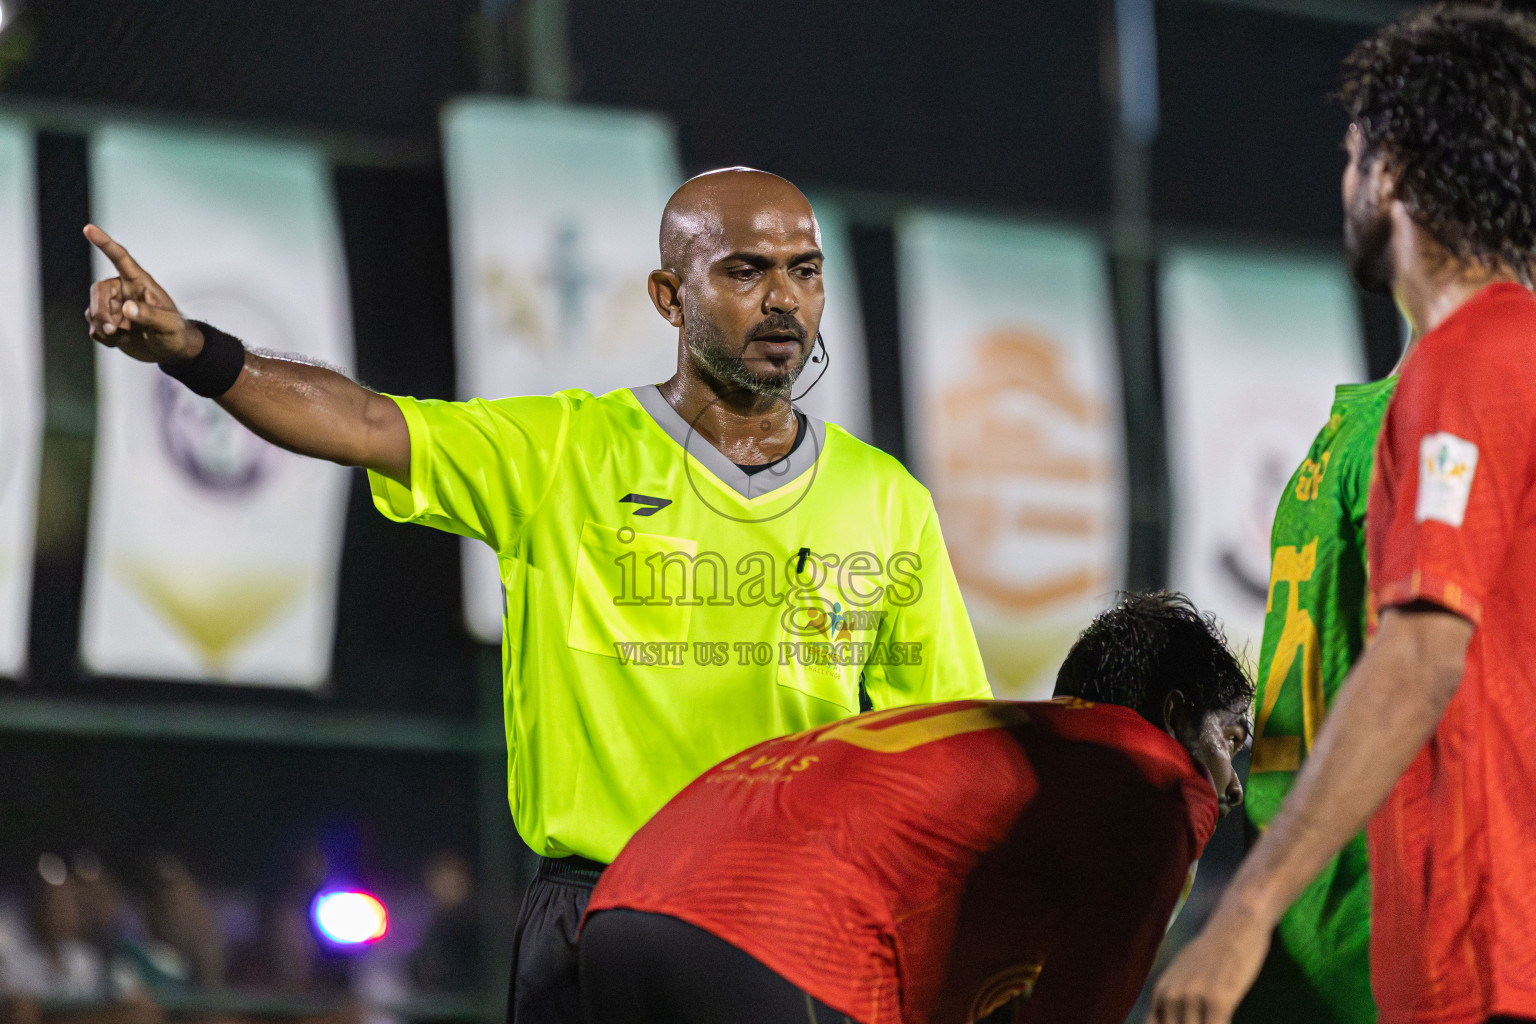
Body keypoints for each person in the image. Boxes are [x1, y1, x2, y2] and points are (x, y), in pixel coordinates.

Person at [82, 167, 992, 1024]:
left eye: (805, 271)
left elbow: (945, 750)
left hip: (792, 922)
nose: (784, 297)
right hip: (597, 912)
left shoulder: (885, 501)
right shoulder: (563, 451)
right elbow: (363, 422)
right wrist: (194, 351)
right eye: (747, 270)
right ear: (669, 298)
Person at [1151, 7, 1536, 1024]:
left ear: (1396, 172)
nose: (1344, 180)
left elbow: (1418, 655)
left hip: (1483, 956)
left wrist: (1245, 915)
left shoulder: (1472, 361)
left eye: (1352, 153)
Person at [581, 591, 1253, 1024]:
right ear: (1173, 715)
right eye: (1231, 739)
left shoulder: (998, 744)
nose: (1234, 787)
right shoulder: (1152, 779)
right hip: (779, 936)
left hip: (620, 909)